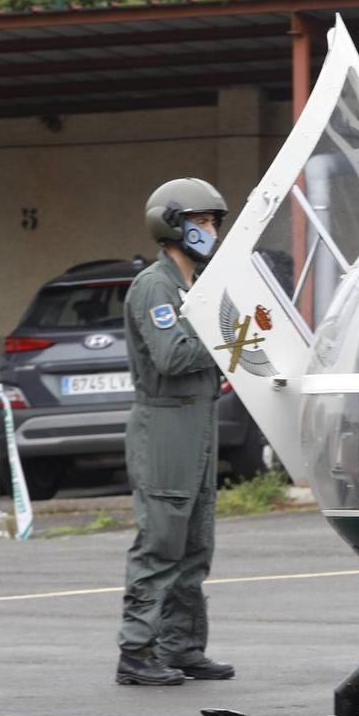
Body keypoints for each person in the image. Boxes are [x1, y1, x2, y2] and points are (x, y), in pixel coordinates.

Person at [115, 178, 235, 686]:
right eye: (201, 222)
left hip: (196, 422)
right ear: (172, 225)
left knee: (194, 545)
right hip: (165, 424)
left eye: (212, 222)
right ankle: (136, 653)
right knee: (162, 542)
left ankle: (182, 646)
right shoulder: (156, 287)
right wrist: (230, 338)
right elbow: (173, 355)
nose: (209, 231)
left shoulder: (195, 286)